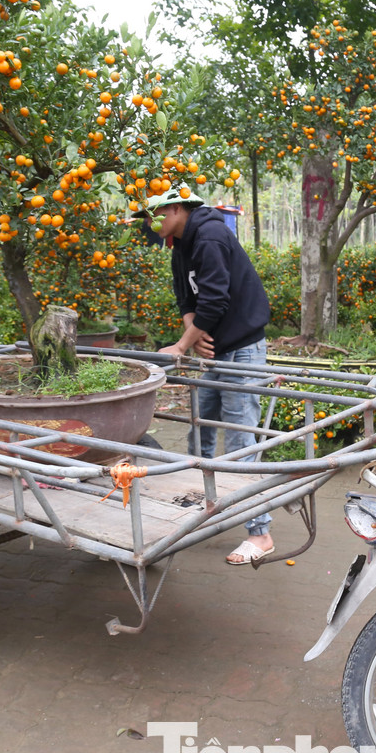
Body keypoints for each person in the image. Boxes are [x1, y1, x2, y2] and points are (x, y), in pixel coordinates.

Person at [139, 188, 274, 565]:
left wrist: (181, 346)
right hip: (214, 353)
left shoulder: (210, 236)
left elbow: (214, 299)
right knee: (200, 432)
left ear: (177, 207)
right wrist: (195, 338)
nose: (152, 224)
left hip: (241, 351)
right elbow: (187, 299)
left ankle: (260, 534)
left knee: (240, 441)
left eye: (155, 215)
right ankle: (203, 509)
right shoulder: (179, 243)